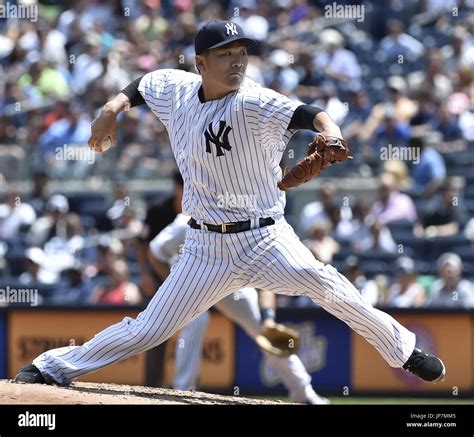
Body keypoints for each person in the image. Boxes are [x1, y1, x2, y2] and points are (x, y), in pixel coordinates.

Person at [15, 20, 445, 389]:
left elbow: (307, 112)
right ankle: (50, 367)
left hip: (265, 238)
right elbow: (144, 85)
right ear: (201, 63)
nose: (238, 60)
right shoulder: (178, 89)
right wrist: (113, 106)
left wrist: (330, 129)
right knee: (148, 329)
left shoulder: (254, 101)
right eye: (226, 54)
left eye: (242, 52)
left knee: (327, 284)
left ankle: (403, 351)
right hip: (204, 248)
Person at [148, 212, 329, 404]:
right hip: (193, 280)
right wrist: (173, 282)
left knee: (263, 330)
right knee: (197, 320)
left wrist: (268, 318)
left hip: (230, 284)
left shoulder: (248, 222)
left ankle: (303, 391)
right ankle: (182, 391)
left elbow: (265, 283)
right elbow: (155, 251)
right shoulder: (187, 224)